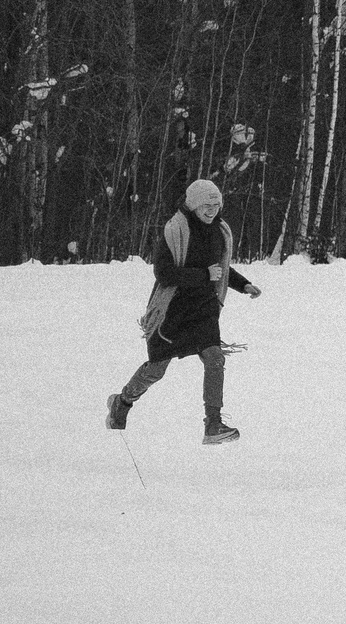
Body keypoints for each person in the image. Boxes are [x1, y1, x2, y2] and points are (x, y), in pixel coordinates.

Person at [107, 179, 261, 444]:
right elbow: (164, 273)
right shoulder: (175, 231)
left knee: (215, 359)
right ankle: (122, 402)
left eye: (216, 204)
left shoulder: (219, 231)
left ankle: (213, 424)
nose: (212, 210)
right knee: (156, 370)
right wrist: (203, 275)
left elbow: (220, 269)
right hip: (173, 311)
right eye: (206, 205)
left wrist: (243, 284)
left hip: (204, 309)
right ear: (194, 205)